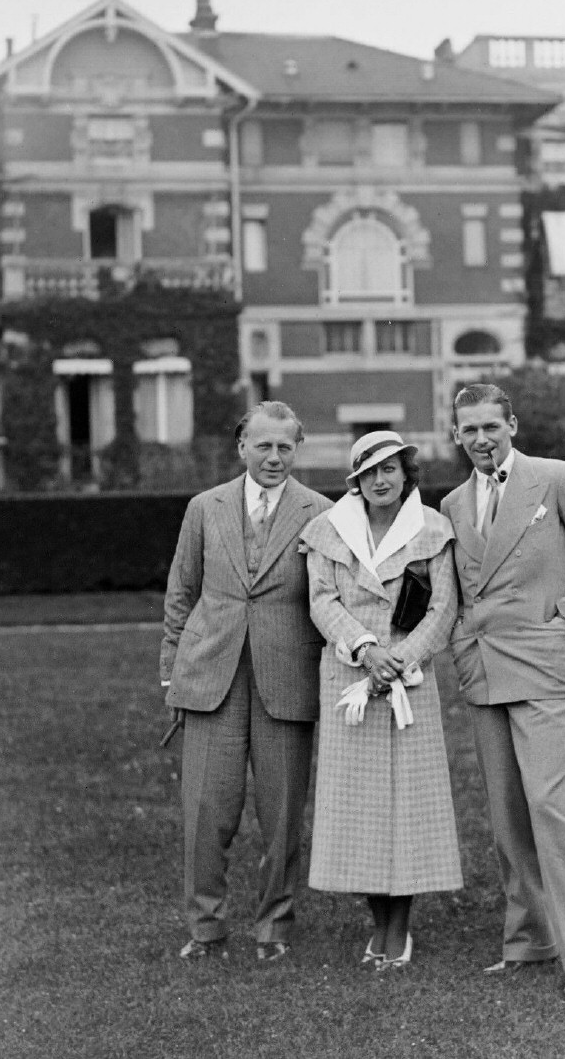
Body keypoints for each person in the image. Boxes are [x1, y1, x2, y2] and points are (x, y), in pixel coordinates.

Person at [441, 384, 565, 1000]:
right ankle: (530, 940)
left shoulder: (558, 478)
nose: (481, 439)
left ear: (512, 424)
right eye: (469, 430)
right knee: (506, 812)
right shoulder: (452, 502)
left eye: (491, 426)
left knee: (553, 805)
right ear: (457, 434)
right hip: (484, 668)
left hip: (544, 663)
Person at [160, 401, 332, 962]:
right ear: (242, 447)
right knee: (206, 811)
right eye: (263, 446)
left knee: (282, 814)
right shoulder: (204, 508)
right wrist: (172, 675)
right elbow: (181, 595)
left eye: (285, 447)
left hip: (288, 678)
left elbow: (333, 597)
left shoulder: (322, 512)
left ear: (296, 450)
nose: (274, 457)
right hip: (210, 677)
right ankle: (205, 928)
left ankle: (274, 928)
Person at [299, 430, 463, 969]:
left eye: (390, 468)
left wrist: (399, 659)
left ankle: (401, 928)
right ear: (356, 480)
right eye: (370, 472)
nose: (381, 479)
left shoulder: (434, 529)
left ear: (406, 473)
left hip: (409, 681)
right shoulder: (327, 531)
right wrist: (368, 651)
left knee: (408, 805)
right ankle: (378, 924)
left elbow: (442, 608)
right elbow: (321, 599)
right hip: (349, 676)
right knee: (360, 807)